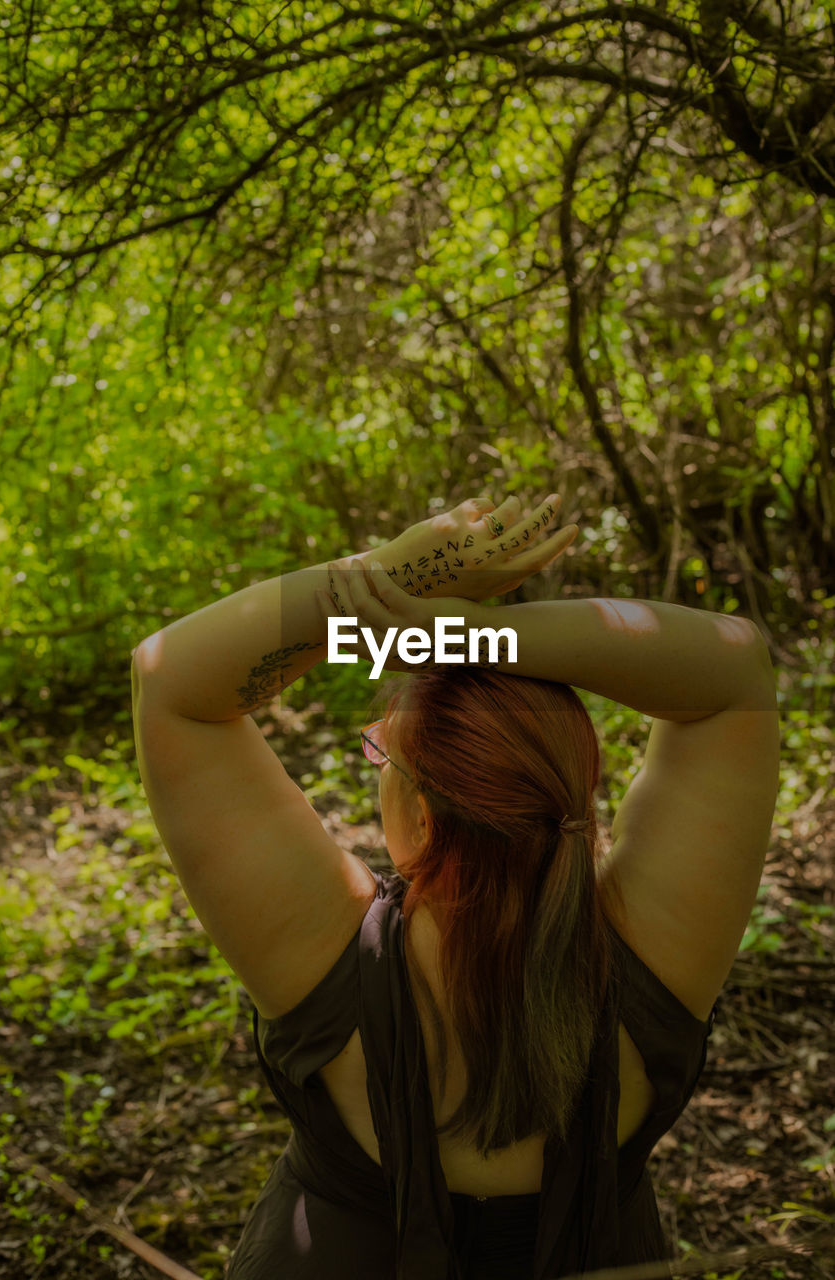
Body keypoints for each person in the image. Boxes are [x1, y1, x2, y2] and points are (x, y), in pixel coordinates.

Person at [131, 490, 780, 1279]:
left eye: (380, 754)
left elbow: (170, 681)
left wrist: (379, 580)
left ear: (424, 818)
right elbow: (734, 666)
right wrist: (477, 636)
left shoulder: (320, 957)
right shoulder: (657, 953)